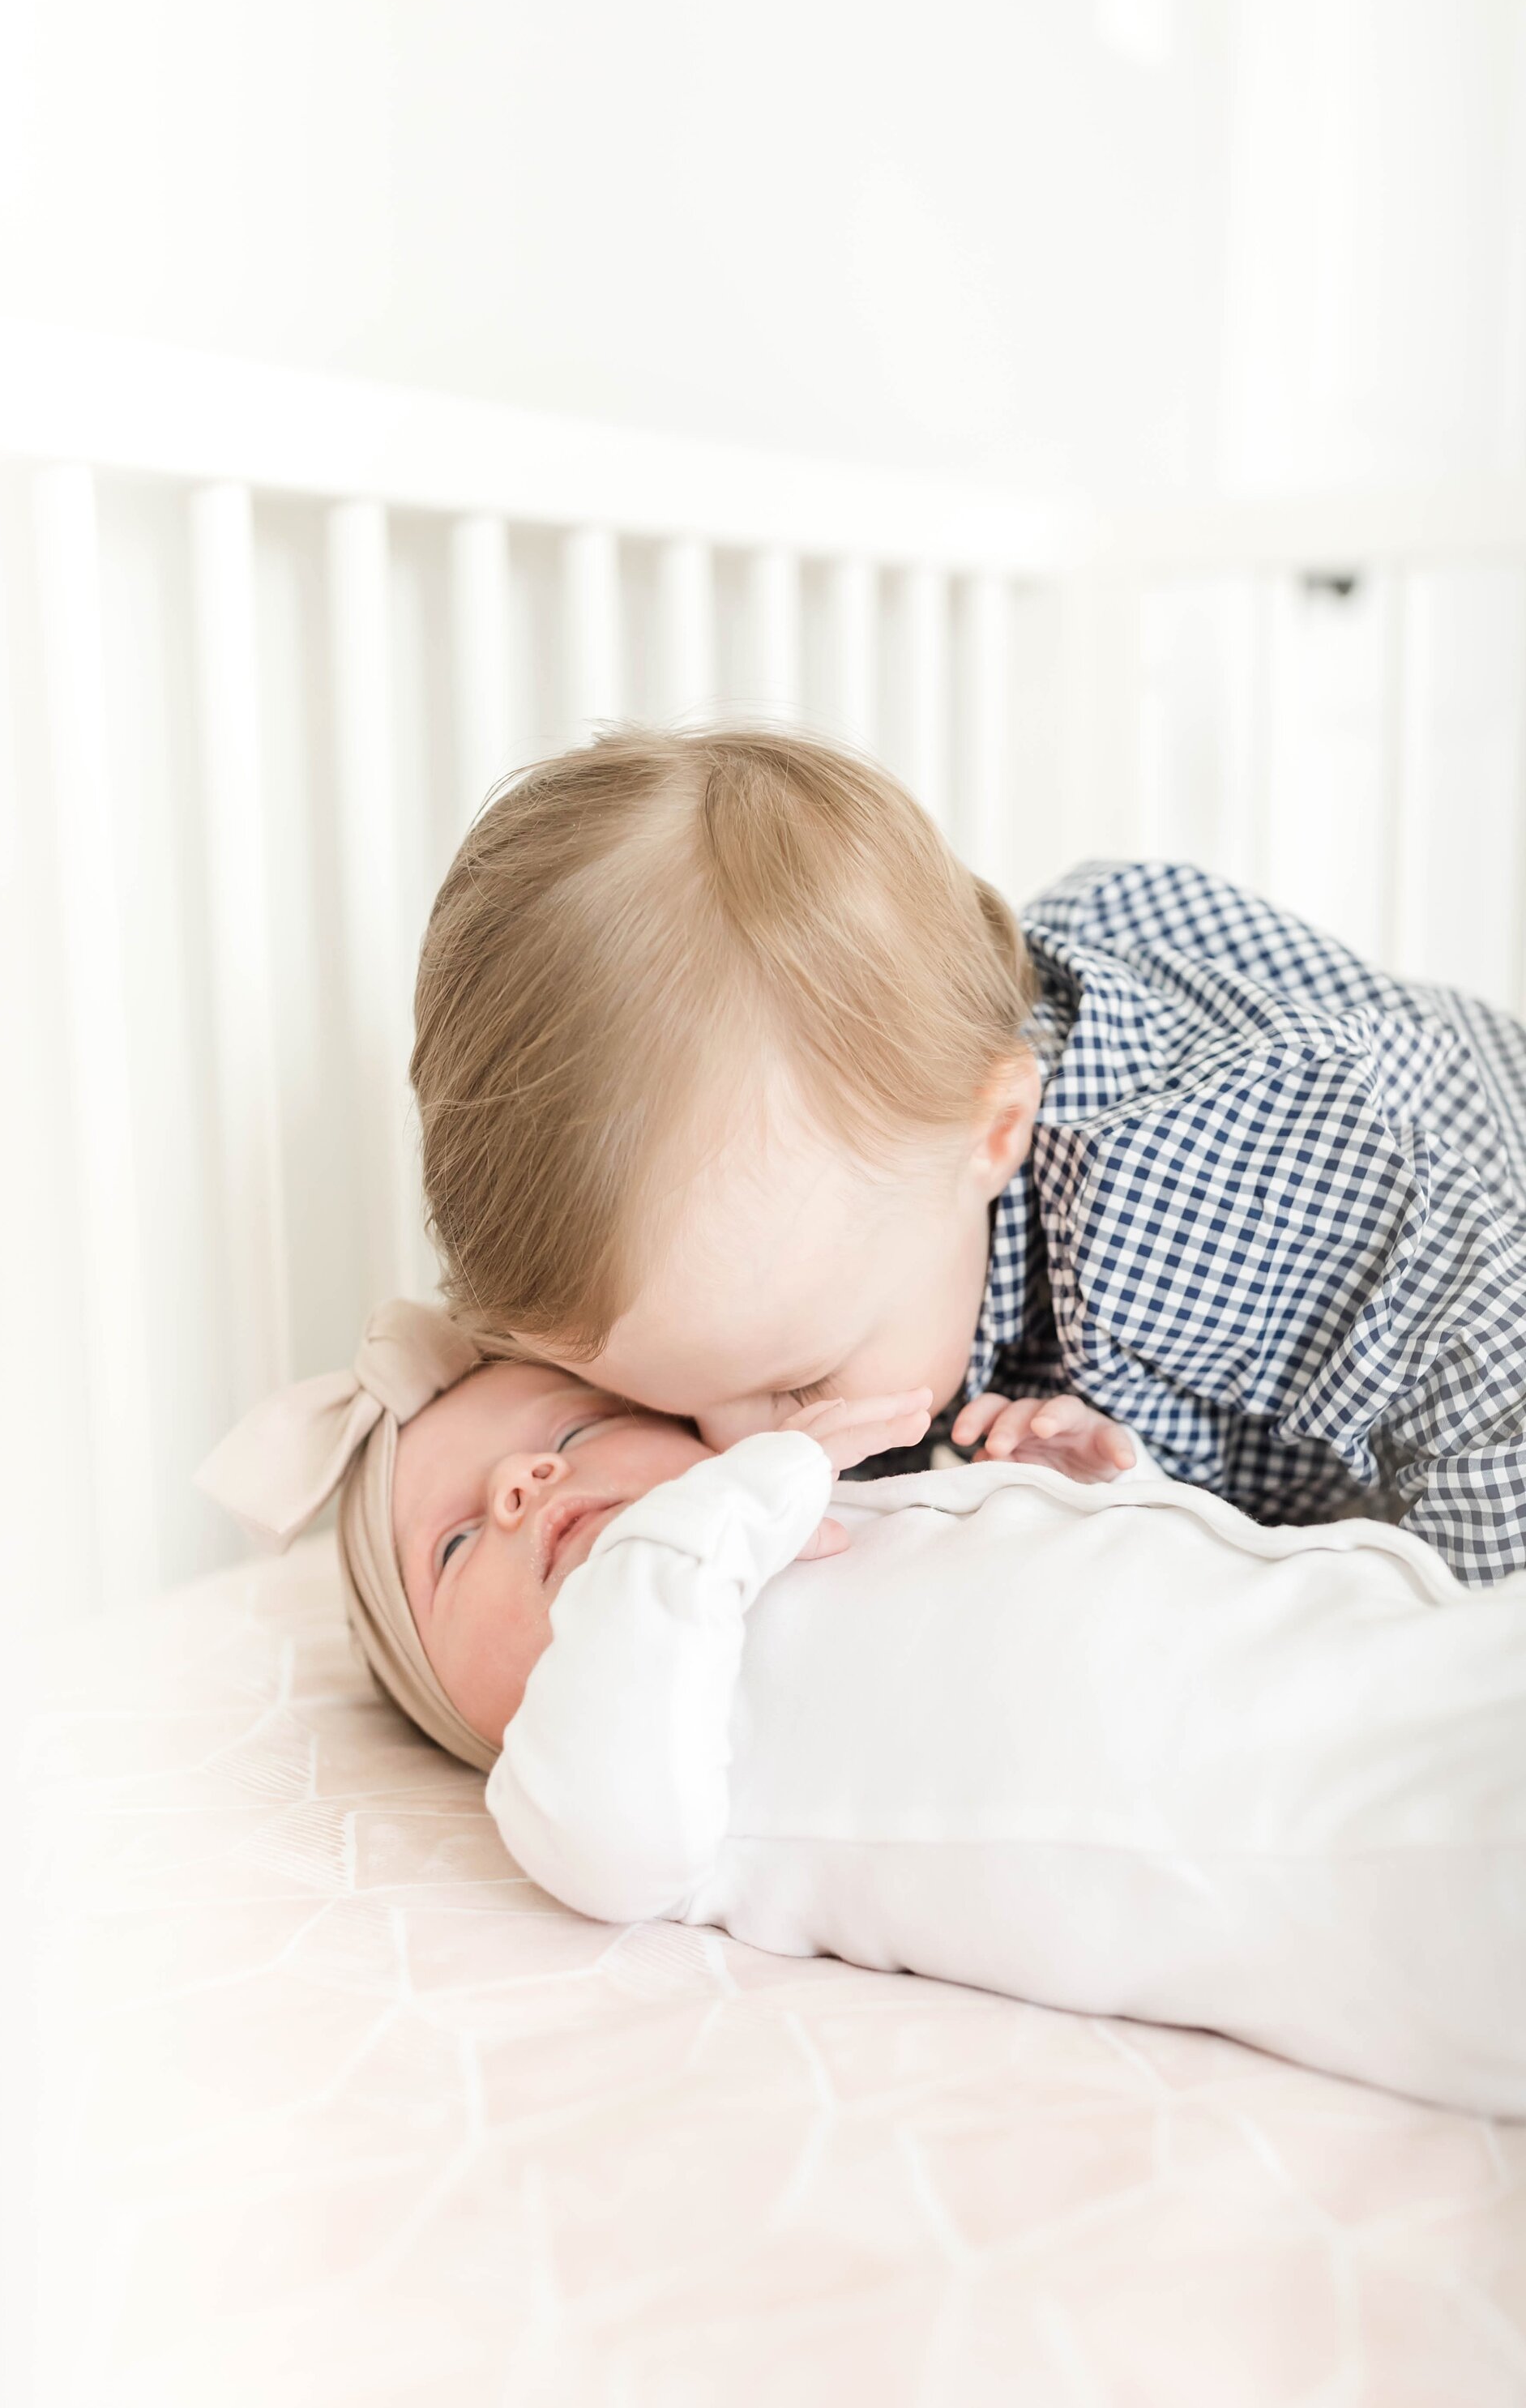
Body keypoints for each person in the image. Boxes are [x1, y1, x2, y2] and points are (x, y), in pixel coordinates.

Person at [199, 1301, 1526, 2118]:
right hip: (1349, 1846)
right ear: (465, 1721)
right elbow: (618, 1836)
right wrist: (731, 1493)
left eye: (579, 1425)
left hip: (1397, 1649)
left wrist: (1098, 1487)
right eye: (454, 1547)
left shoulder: (794, 1518)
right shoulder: (593, 1746)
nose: (530, 1482)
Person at [410, 728, 1526, 1581]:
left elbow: (1497, 1383)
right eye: (670, 1408)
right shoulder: (869, 1224)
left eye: (798, 1383)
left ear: (995, 1134)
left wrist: (1456, 1676)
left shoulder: (1186, 1179)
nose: (746, 1441)